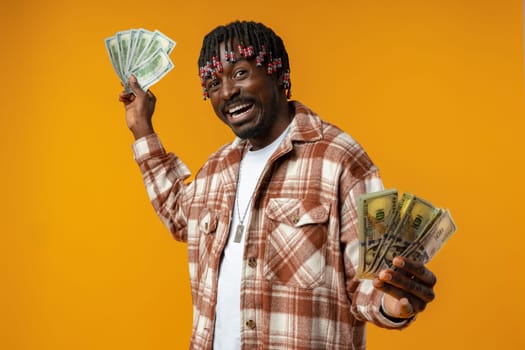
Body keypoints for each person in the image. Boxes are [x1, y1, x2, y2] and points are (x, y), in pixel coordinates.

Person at [119, 20, 437, 350]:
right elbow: (178, 214)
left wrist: (392, 303)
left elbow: (369, 284)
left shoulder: (339, 159)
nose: (227, 91)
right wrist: (142, 129)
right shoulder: (216, 169)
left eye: (240, 72)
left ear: (278, 72)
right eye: (213, 83)